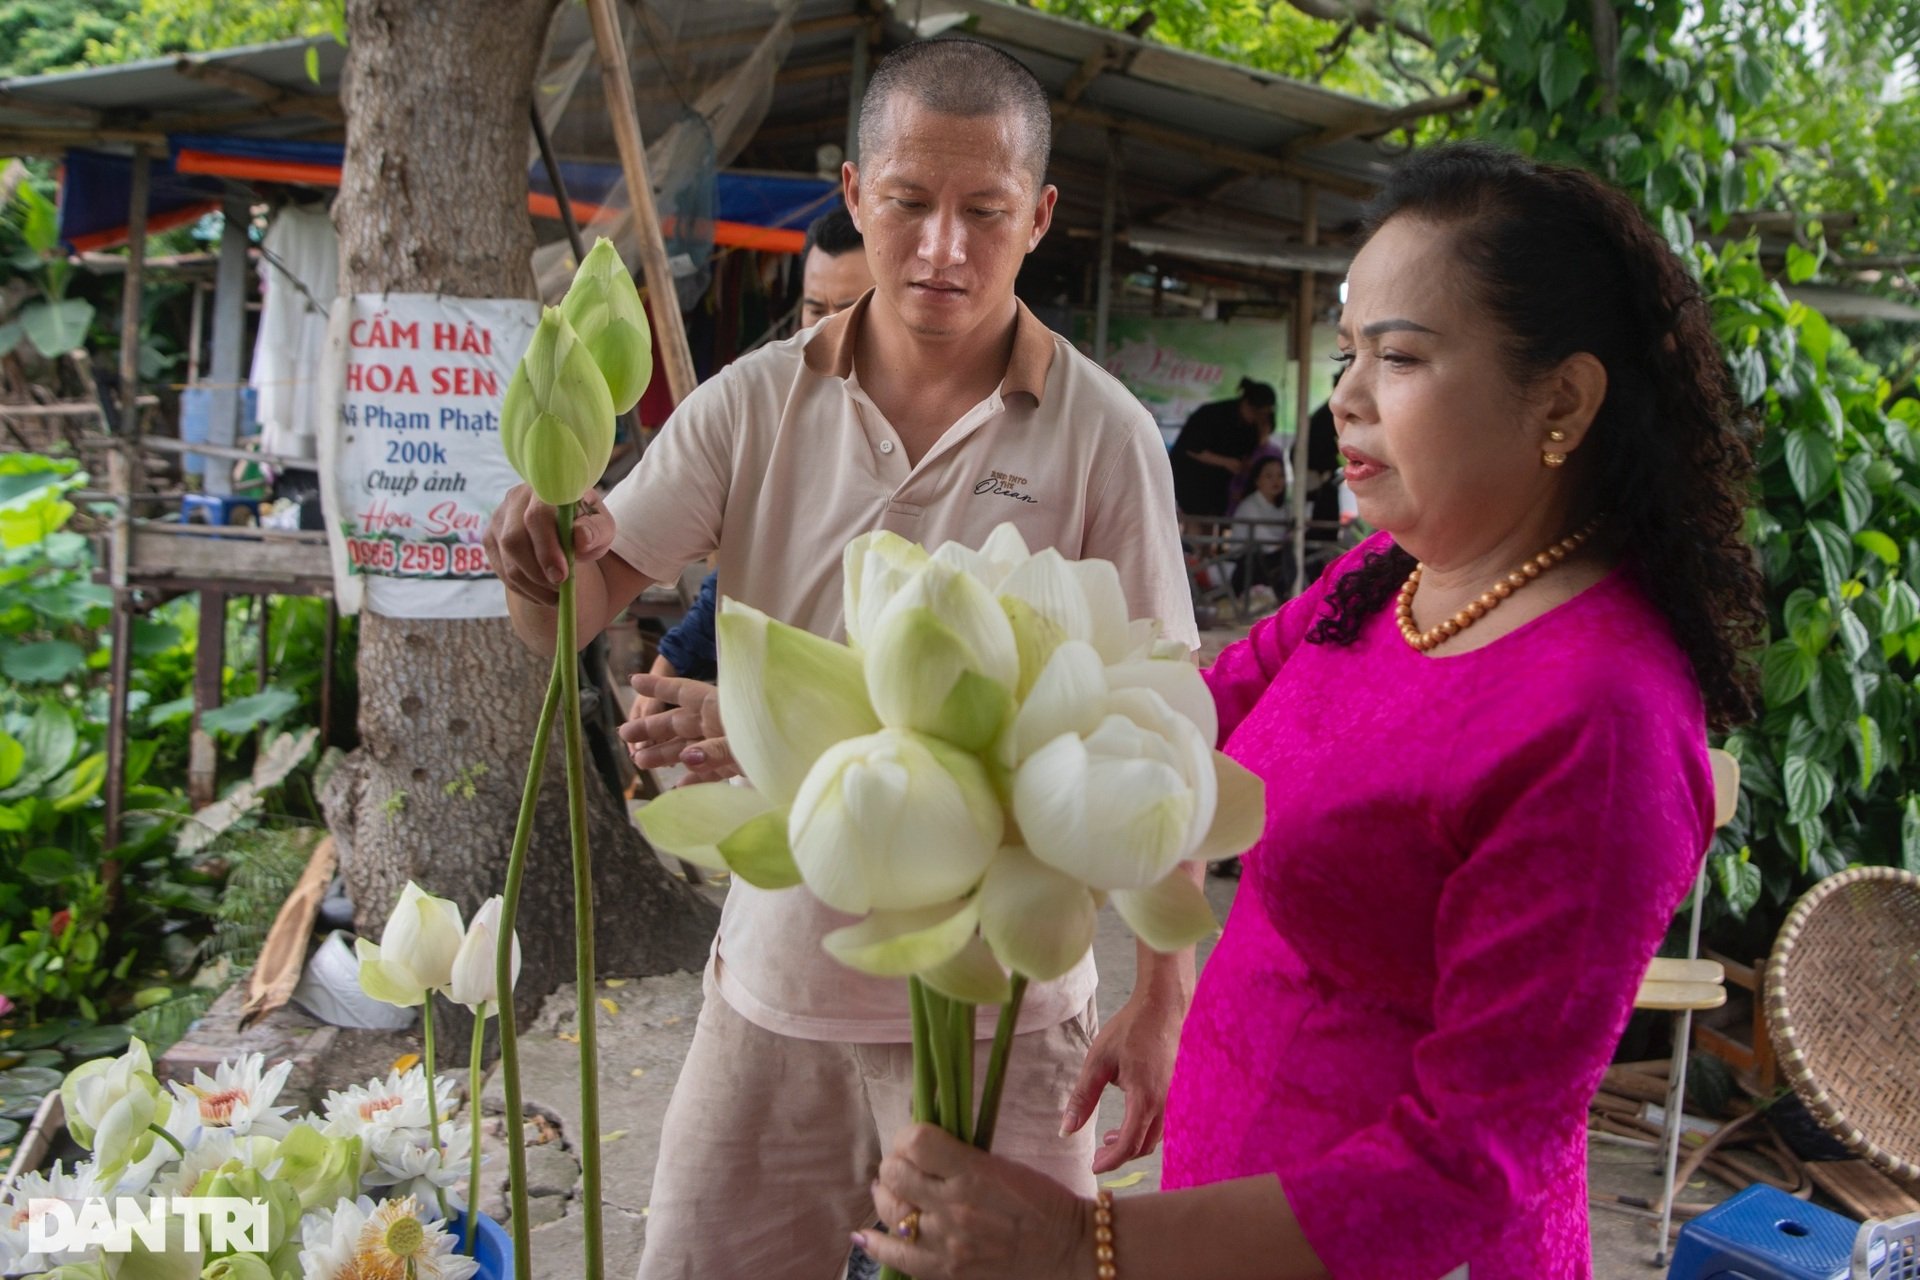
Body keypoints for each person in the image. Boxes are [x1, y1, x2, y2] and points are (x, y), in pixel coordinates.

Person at [855, 142, 1767, 1280]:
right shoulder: (1381, 583)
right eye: (1348, 354)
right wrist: (932, 745)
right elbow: (1176, 728)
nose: (1343, 396)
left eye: (1401, 356)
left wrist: (1072, 1240)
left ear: (1564, 398)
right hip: (1222, 1190)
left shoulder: (1606, 722)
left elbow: (1463, 1168)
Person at [483, 38, 1200, 1280]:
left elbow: (1169, 725)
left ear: (1039, 217)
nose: (942, 250)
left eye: (984, 214)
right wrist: (532, 556)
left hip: (1009, 1001)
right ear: (856, 191)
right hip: (778, 973)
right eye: (910, 205)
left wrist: (1164, 994)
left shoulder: (1108, 435)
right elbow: (572, 617)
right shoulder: (751, 403)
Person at [625, 207, 876, 756]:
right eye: (815, 308)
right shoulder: (769, 408)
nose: (827, 330)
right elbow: (753, 557)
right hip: (768, 746)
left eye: (852, 309)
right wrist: (678, 655)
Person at [1169, 376, 1275, 516]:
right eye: (1256, 413)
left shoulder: (1253, 427)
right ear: (1246, 403)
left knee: (1215, 523)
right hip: (1191, 478)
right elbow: (1191, 447)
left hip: (1221, 488)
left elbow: (1252, 453)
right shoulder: (1212, 414)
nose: (1257, 418)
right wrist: (1226, 462)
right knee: (1196, 520)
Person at [1229, 454, 1291, 597]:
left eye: (1280, 475)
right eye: (1269, 476)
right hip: (1246, 566)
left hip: (1270, 561)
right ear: (1257, 480)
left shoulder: (1283, 508)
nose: (1276, 481)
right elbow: (1267, 543)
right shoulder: (1250, 506)